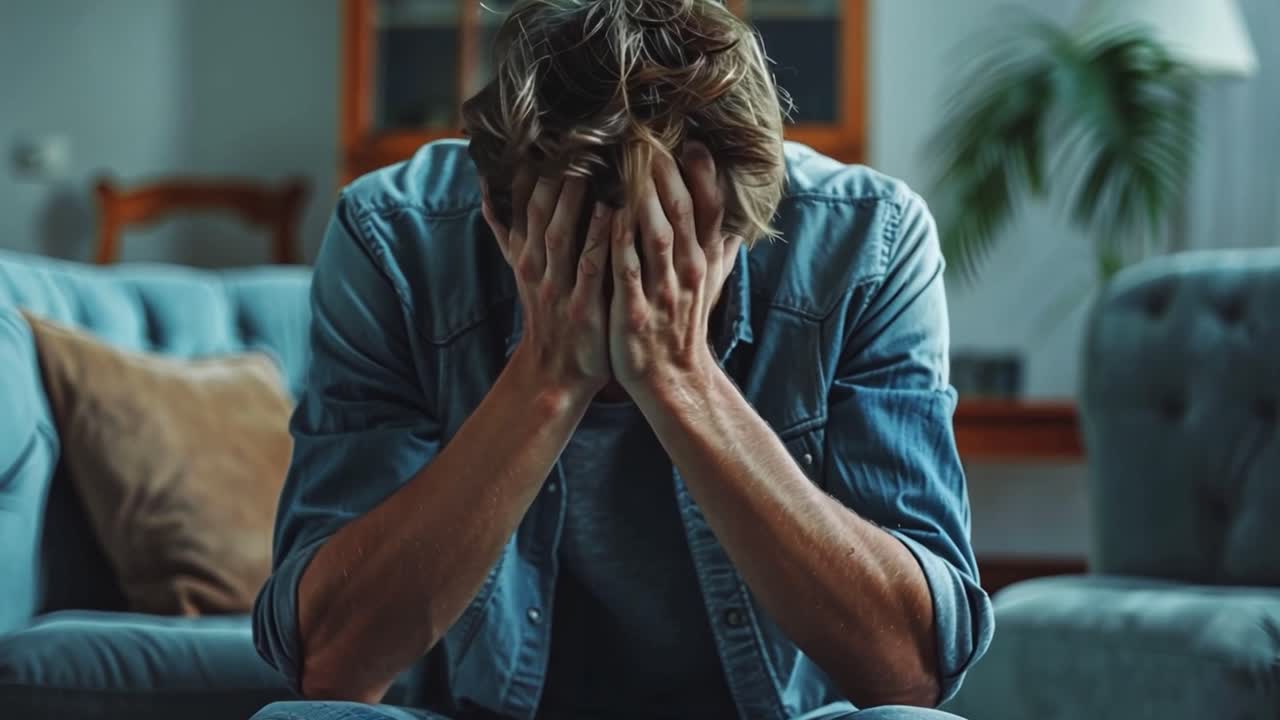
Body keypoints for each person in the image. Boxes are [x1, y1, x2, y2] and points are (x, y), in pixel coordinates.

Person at [251, 1, 992, 719]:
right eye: (582, 264)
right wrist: (547, 379)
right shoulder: (394, 237)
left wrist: (681, 379)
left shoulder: (869, 241)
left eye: (673, 264)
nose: (630, 307)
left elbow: (912, 673)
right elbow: (332, 664)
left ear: (742, 231)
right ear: (497, 215)